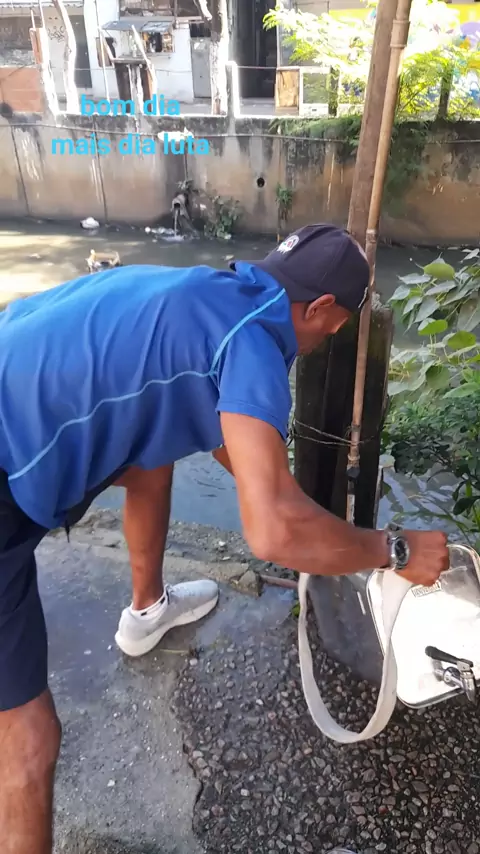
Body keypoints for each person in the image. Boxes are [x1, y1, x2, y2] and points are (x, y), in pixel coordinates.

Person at [0, 223, 448, 853]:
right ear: (320, 307)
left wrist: (303, 515)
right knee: (27, 741)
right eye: (335, 326)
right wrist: (391, 551)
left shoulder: (211, 292)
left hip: (14, 382)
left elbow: (224, 440)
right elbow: (271, 532)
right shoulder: (255, 345)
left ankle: (147, 612)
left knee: (150, 456)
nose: (330, 338)